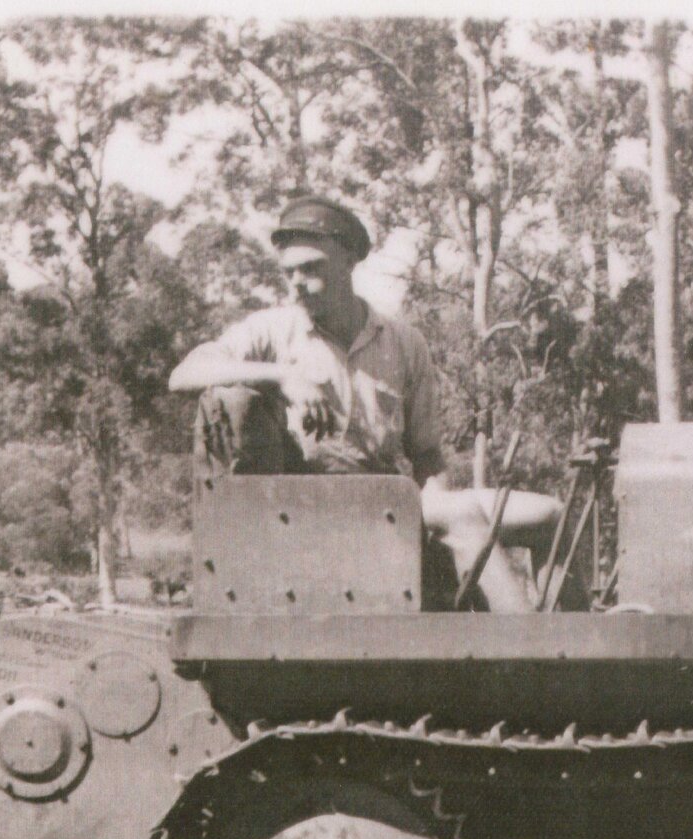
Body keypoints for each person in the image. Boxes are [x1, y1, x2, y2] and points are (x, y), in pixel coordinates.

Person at [168, 195, 549, 611]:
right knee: (465, 519)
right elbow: (184, 373)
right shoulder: (273, 331)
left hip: (388, 502)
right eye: (289, 272)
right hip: (306, 513)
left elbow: (426, 455)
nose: (297, 282)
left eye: (311, 268)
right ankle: (533, 663)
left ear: (349, 260)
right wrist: (283, 377)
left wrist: (435, 502)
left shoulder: (403, 343)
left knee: (550, 515)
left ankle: (591, 658)